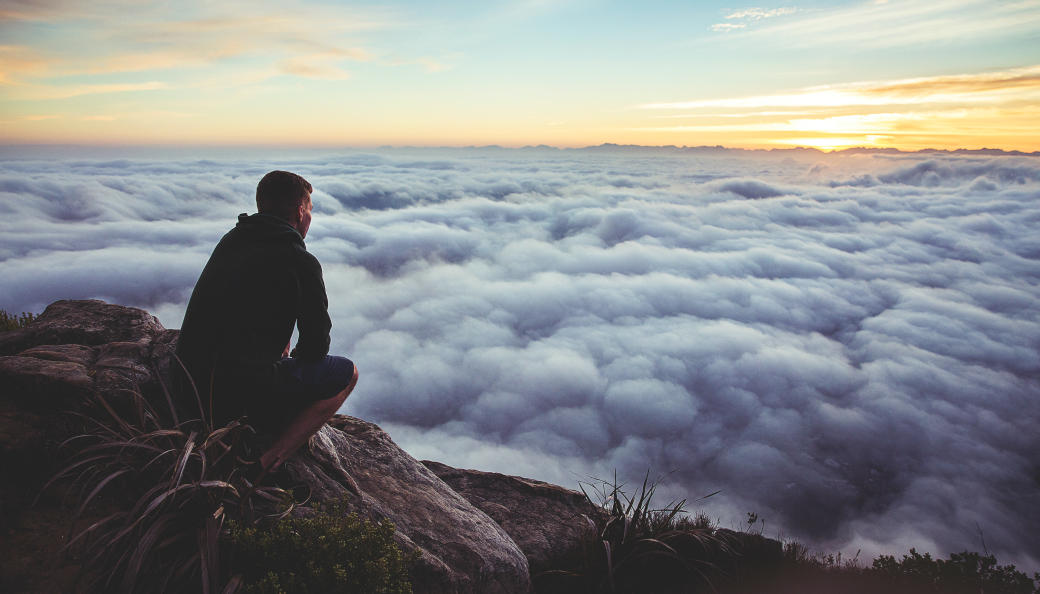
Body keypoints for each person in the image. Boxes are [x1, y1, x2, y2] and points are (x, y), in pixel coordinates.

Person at [175, 170, 358, 482]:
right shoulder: (300, 261)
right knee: (346, 374)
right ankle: (264, 467)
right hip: (234, 397)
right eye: (310, 209)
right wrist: (294, 358)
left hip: (185, 386)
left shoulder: (232, 240)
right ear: (301, 213)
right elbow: (316, 347)